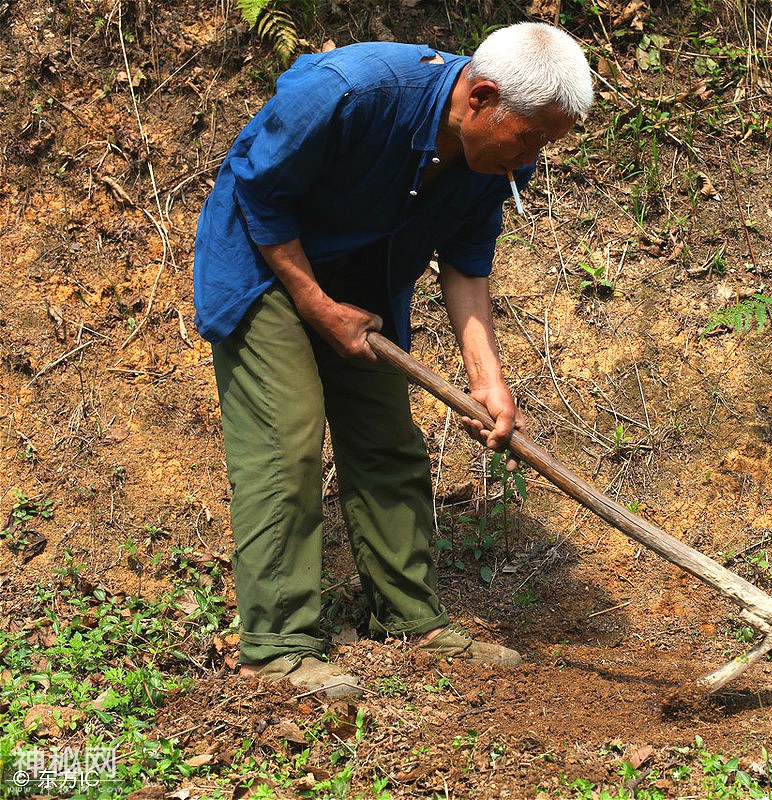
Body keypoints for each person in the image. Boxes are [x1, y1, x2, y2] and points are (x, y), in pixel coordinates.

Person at [192, 23, 593, 697]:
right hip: (265, 266)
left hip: (363, 284)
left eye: (547, 144)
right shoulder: (347, 91)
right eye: (530, 138)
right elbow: (259, 196)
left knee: (388, 443)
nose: (533, 159)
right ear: (481, 99)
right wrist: (317, 306)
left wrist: (487, 380)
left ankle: (408, 619)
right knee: (284, 442)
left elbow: (466, 264)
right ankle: (278, 646)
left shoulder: (493, 159)